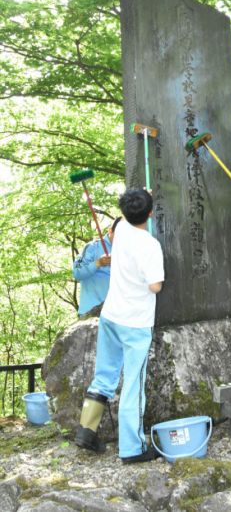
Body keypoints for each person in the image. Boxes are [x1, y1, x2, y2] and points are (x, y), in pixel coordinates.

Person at [75, 189, 164, 463]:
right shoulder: (150, 245)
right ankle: (132, 448)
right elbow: (155, 286)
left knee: (104, 375)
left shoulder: (121, 230)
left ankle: (86, 431)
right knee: (133, 384)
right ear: (150, 213)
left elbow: (127, 216)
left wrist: (140, 200)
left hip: (110, 316)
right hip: (135, 323)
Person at [72, 217, 121, 316]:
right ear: (110, 230)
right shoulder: (92, 247)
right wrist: (98, 263)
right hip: (91, 313)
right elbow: (77, 273)